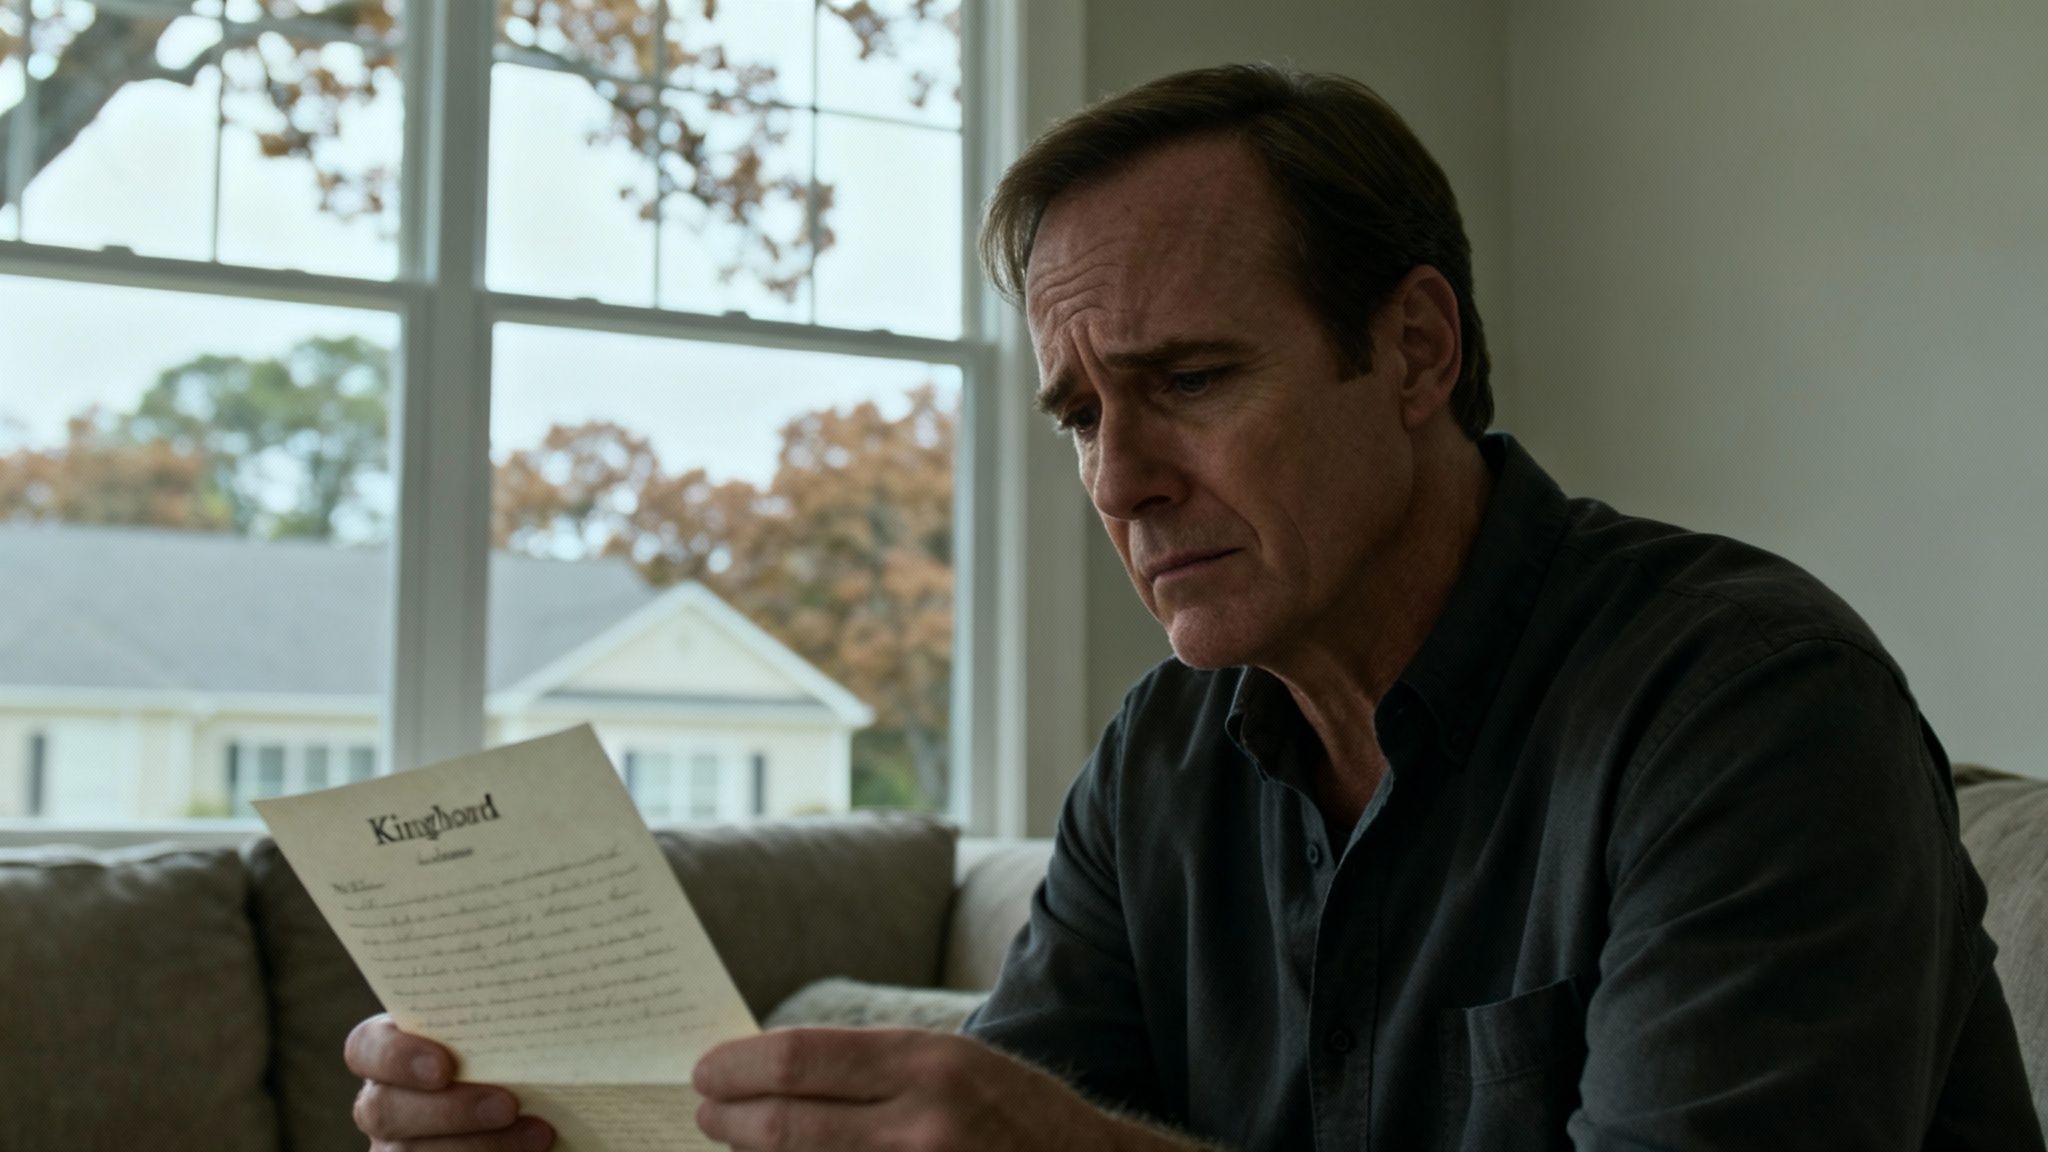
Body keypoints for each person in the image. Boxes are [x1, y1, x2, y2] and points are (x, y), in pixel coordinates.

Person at [344, 64, 2044, 1151]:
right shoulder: (1167, 759)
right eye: (1083, 414)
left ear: (1416, 351)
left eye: (1191, 381)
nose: (1118, 481)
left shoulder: (1748, 707)